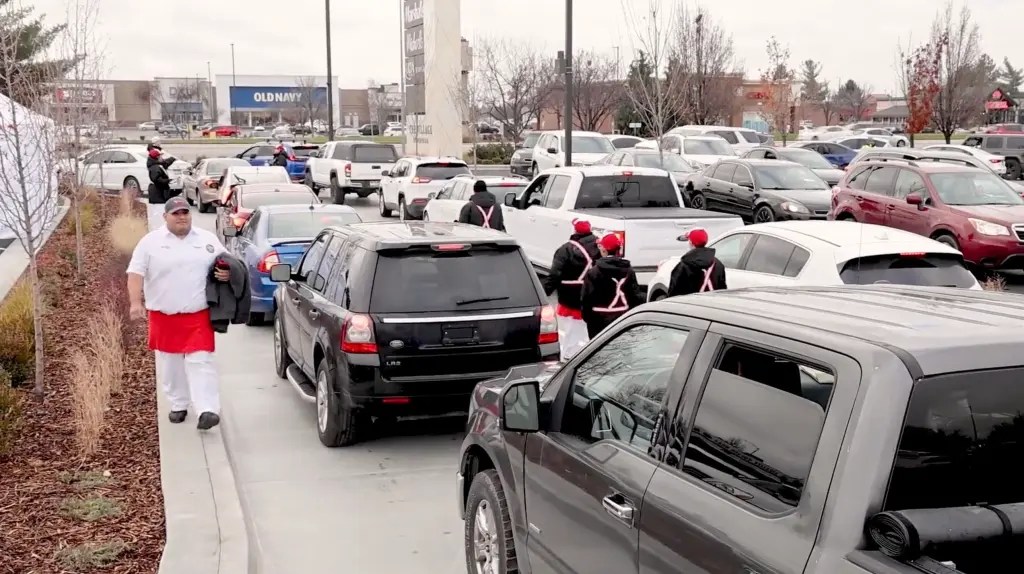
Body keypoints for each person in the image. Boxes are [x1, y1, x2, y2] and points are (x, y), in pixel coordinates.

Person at [127, 196, 230, 431]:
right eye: (176, 213)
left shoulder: (207, 240)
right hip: (164, 315)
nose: (182, 216)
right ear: (165, 217)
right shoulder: (150, 242)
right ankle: (178, 404)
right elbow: (135, 274)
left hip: (198, 315)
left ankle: (207, 410)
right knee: (171, 365)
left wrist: (226, 274)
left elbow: (226, 263)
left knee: (201, 361)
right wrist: (135, 302)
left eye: (185, 212)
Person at [543, 219, 600, 360]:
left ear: (575, 231)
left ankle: (570, 356)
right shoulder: (600, 247)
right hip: (593, 294)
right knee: (591, 329)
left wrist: (544, 294)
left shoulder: (565, 250)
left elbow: (555, 275)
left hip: (570, 296)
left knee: (569, 330)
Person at [580, 233, 644, 338]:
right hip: (623, 317)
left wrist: (588, 319)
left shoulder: (594, 272)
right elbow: (634, 296)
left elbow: (586, 299)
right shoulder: (629, 270)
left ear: (604, 250)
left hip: (598, 320)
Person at [667, 228, 727, 296]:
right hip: (711, 305)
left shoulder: (683, 266)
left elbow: (673, 293)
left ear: (691, 243)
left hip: (690, 305)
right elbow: (722, 290)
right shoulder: (718, 264)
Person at [146, 147, 180, 231]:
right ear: (157, 157)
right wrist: (168, 181)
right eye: (160, 156)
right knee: (159, 214)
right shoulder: (155, 168)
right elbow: (157, 180)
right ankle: (158, 231)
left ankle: (160, 229)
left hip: (159, 194)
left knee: (160, 213)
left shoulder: (157, 165)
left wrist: (172, 159)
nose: (162, 157)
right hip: (157, 196)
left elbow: (166, 163)